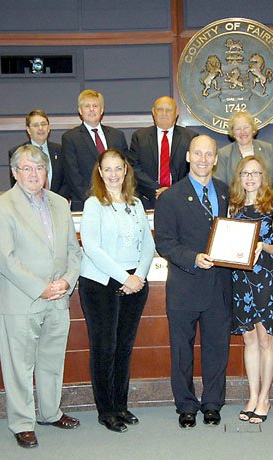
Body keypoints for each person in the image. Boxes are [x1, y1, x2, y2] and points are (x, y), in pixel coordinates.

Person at [0, 144, 81, 448]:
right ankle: (22, 422)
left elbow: (73, 251)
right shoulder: (1, 207)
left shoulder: (59, 203)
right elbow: (4, 258)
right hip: (24, 300)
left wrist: (66, 282)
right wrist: (42, 287)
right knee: (19, 366)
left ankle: (51, 412)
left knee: (52, 361)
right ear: (14, 172)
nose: (33, 174)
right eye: (26, 168)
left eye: (39, 168)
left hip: (59, 299)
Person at [154, 135, 232, 429]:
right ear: (188, 156)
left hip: (220, 287)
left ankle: (213, 403)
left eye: (208, 154)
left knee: (216, 349)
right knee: (182, 351)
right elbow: (164, 243)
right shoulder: (170, 197)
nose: (203, 159)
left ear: (215, 159)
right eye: (197, 154)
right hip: (185, 285)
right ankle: (186, 404)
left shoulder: (226, 193)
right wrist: (192, 257)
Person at [78, 149, 155, 433]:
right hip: (101, 284)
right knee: (104, 348)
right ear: (99, 172)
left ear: (125, 171)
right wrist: (125, 276)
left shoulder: (135, 204)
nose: (113, 174)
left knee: (123, 348)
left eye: (117, 169)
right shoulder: (93, 205)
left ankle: (121, 405)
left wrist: (139, 276)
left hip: (134, 284)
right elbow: (92, 247)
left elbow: (148, 244)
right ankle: (106, 409)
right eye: (107, 169)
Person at [228, 156, 273, 424]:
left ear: (264, 176)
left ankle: (265, 397)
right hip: (240, 280)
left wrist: (263, 246)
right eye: (245, 173)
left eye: (256, 173)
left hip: (266, 278)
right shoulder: (234, 206)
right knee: (248, 339)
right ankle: (252, 395)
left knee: (266, 340)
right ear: (239, 177)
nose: (250, 178)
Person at [61, 89, 129, 211]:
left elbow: (126, 168)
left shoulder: (117, 135)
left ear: (102, 110)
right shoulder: (70, 138)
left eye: (95, 106)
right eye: (87, 106)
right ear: (80, 111)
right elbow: (72, 174)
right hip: (85, 202)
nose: (91, 109)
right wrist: (94, 200)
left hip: (118, 201)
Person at [128, 96, 198, 209]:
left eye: (169, 110)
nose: (164, 113)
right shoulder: (140, 137)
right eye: (160, 109)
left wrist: (173, 190)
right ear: (153, 112)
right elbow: (133, 168)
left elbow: (193, 169)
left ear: (176, 113)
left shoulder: (190, 137)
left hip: (181, 199)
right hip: (148, 199)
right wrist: (156, 189)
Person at [9, 109, 70, 198]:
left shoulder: (60, 150)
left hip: (56, 203)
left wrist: (55, 200)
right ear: (28, 130)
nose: (40, 128)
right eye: (36, 125)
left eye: (43, 124)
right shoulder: (17, 153)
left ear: (49, 128)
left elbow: (67, 181)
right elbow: (17, 183)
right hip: (28, 204)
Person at [215, 111, 273, 191]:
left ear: (253, 129)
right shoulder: (224, 154)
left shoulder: (267, 148)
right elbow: (221, 187)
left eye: (246, 127)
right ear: (233, 133)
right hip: (236, 201)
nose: (242, 132)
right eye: (238, 129)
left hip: (265, 200)